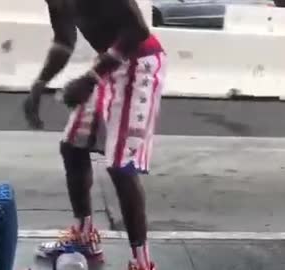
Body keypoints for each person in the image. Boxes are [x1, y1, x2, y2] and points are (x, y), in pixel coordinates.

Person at [22, 0, 166, 269]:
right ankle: (84, 236)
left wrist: (90, 79)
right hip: (107, 64)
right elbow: (64, 41)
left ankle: (142, 263)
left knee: (121, 166)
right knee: (73, 146)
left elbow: (137, 31)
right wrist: (40, 83)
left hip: (141, 62)